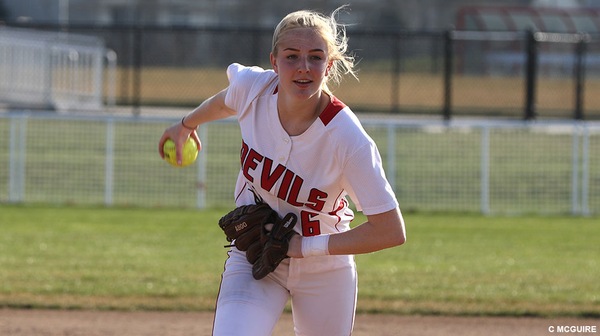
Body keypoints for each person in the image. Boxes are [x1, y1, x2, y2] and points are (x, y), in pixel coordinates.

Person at [158, 6, 406, 336]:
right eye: (291, 56)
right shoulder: (253, 89)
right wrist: (187, 124)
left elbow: (390, 230)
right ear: (274, 62)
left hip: (324, 269)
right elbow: (227, 99)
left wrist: (303, 247)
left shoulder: (348, 139)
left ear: (329, 66)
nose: (303, 67)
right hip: (254, 250)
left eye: (316, 57)